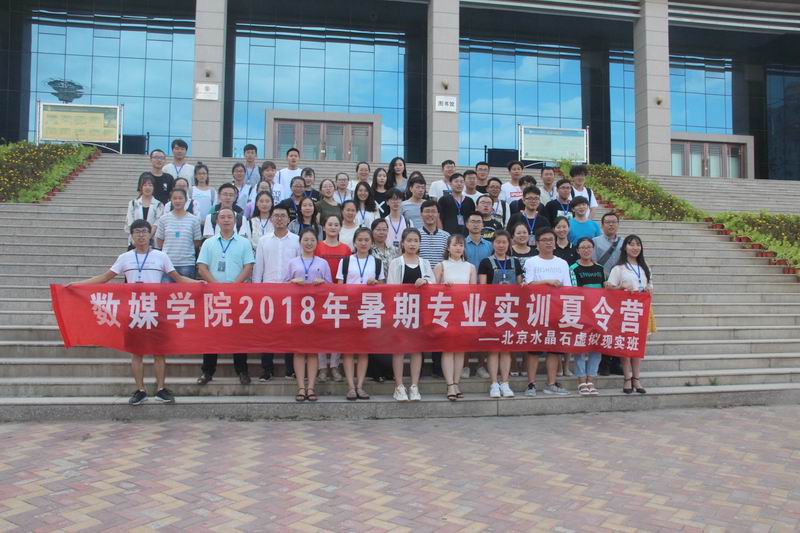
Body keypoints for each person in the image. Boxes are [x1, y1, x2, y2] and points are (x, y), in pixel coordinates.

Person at [68, 219, 201, 405]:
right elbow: (105, 277)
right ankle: (140, 390)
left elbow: (178, 279)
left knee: (159, 351)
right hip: (133, 310)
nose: (141, 235)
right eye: (137, 232)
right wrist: (77, 285)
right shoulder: (125, 257)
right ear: (131, 235)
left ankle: (161, 389)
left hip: (155, 310)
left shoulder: (161, 256)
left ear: (150, 234)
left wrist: (200, 284)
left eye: (144, 231)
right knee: (136, 352)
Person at [196, 208, 256, 385]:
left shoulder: (244, 243)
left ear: (235, 221)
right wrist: (215, 285)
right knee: (212, 334)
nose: (226, 220)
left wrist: (235, 285)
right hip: (214, 294)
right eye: (222, 217)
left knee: (238, 334)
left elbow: (248, 266)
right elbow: (202, 267)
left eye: (230, 217)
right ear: (217, 221)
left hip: (237, 294)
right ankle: (207, 371)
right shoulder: (209, 243)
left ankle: (242, 371)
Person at [252, 205, 301, 381]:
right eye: (276, 216)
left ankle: (290, 369)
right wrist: (257, 289)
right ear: (271, 219)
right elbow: (258, 267)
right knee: (268, 331)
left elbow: (299, 265)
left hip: (290, 290)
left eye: (283, 216)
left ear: (288, 219)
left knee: (290, 330)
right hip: (268, 291)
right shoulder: (263, 241)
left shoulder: (296, 240)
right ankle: (267, 369)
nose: (279, 219)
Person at [337, 228, 385, 400]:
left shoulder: (377, 262)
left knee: (364, 350)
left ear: (371, 242)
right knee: (349, 349)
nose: (363, 243)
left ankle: (360, 386)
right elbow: (339, 286)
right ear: (355, 242)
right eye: (360, 240)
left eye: (366, 240)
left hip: (369, 308)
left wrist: (376, 284)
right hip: (350, 308)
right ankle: (350, 386)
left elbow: (383, 286)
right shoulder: (345, 261)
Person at [284, 227, 332, 401]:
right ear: (300, 242)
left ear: (316, 243)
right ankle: (301, 387)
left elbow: (331, 287)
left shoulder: (322, 263)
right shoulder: (292, 262)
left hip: (316, 311)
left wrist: (323, 283)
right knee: (298, 351)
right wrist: (292, 282)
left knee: (312, 351)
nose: (309, 243)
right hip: (297, 311)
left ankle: (311, 387)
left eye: (312, 240)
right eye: (306, 240)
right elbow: (282, 286)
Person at [387, 228, 434, 401]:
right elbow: (390, 287)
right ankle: (399, 386)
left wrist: (426, 281)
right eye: (409, 241)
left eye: (416, 241)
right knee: (399, 349)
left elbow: (433, 283)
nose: (412, 244)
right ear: (403, 243)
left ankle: (414, 386)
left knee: (416, 349)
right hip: (400, 310)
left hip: (419, 311)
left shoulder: (425, 263)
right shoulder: (395, 263)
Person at [523, 227, 571, 396]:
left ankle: (551, 383)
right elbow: (527, 285)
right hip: (536, 310)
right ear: (537, 243)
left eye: (551, 240)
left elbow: (568, 288)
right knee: (534, 348)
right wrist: (548, 282)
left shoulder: (562, 263)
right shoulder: (531, 262)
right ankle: (531, 384)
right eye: (544, 240)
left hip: (557, 310)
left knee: (554, 348)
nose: (549, 243)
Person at [479, 230, 523, 398]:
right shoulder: (485, 262)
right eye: (498, 242)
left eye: (504, 242)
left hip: (511, 310)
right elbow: (482, 288)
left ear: (509, 244)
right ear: (493, 244)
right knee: (493, 348)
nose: (501, 245)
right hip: (492, 310)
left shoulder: (515, 262)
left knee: (506, 348)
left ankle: (505, 382)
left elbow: (520, 286)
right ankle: (493, 383)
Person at [606, 235, 653, 395]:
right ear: (624, 247)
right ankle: (627, 378)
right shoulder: (618, 268)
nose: (635, 247)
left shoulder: (645, 267)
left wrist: (647, 290)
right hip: (624, 311)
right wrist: (620, 288)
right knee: (625, 346)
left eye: (638, 244)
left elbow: (651, 287)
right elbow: (609, 289)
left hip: (641, 311)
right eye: (631, 244)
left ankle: (637, 378)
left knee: (637, 345)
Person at [434, 234, 477, 401]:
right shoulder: (441, 266)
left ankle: (456, 382)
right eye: (455, 245)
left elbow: (474, 291)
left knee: (460, 348)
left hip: (463, 311)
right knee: (448, 348)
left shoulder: (470, 267)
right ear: (448, 247)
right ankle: (450, 384)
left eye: (461, 245)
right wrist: (443, 287)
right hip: (445, 312)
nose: (458, 248)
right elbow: (432, 289)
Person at [315, 214, 351, 383]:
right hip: (321, 294)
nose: (333, 227)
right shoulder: (318, 247)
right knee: (321, 331)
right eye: (330, 224)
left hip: (340, 293)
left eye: (336, 224)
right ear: (324, 227)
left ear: (340, 228)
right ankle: (322, 367)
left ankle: (335, 366)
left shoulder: (346, 249)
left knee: (338, 331)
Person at [570, 237, 606, 395]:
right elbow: (574, 290)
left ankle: (591, 378)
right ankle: (581, 379)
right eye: (583, 248)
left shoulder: (600, 269)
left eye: (589, 247)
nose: (586, 250)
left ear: (593, 249)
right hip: (580, 312)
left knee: (596, 346)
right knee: (580, 345)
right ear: (577, 250)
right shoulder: (573, 268)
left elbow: (605, 290)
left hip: (598, 313)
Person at [593, 211, 625, 376]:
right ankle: (604, 363)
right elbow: (592, 263)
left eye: (614, 222)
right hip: (603, 289)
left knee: (618, 326)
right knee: (604, 325)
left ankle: (616, 362)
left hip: (620, 289)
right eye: (608, 222)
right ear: (602, 225)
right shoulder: (595, 242)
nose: (611, 225)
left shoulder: (625, 243)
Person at [367, 218, 397, 383]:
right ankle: (376, 371)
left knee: (388, 334)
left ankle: (389, 370)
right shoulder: (368, 249)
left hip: (391, 297)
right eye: (378, 229)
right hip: (374, 296)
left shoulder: (394, 250)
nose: (382, 232)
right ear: (372, 231)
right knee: (374, 333)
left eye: (384, 229)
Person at [155, 188, 202, 280]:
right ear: (171, 200)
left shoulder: (194, 220)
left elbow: (197, 242)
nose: (177, 201)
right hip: (168, 263)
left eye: (180, 198)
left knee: (187, 289)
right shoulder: (163, 219)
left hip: (187, 263)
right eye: (175, 198)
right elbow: (160, 241)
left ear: (186, 200)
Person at [126, 173, 164, 248]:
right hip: (135, 242)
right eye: (145, 185)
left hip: (153, 242)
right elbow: (130, 222)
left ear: (154, 187)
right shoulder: (133, 203)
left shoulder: (159, 205)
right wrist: (139, 236)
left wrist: (147, 236)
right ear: (141, 187)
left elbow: (158, 223)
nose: (147, 187)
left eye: (150, 185)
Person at [418, 199, 450, 269]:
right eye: (427, 211)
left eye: (433, 211)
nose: (430, 214)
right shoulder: (416, 235)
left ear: (438, 214)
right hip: (421, 274)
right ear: (421, 214)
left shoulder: (446, 236)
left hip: (441, 274)